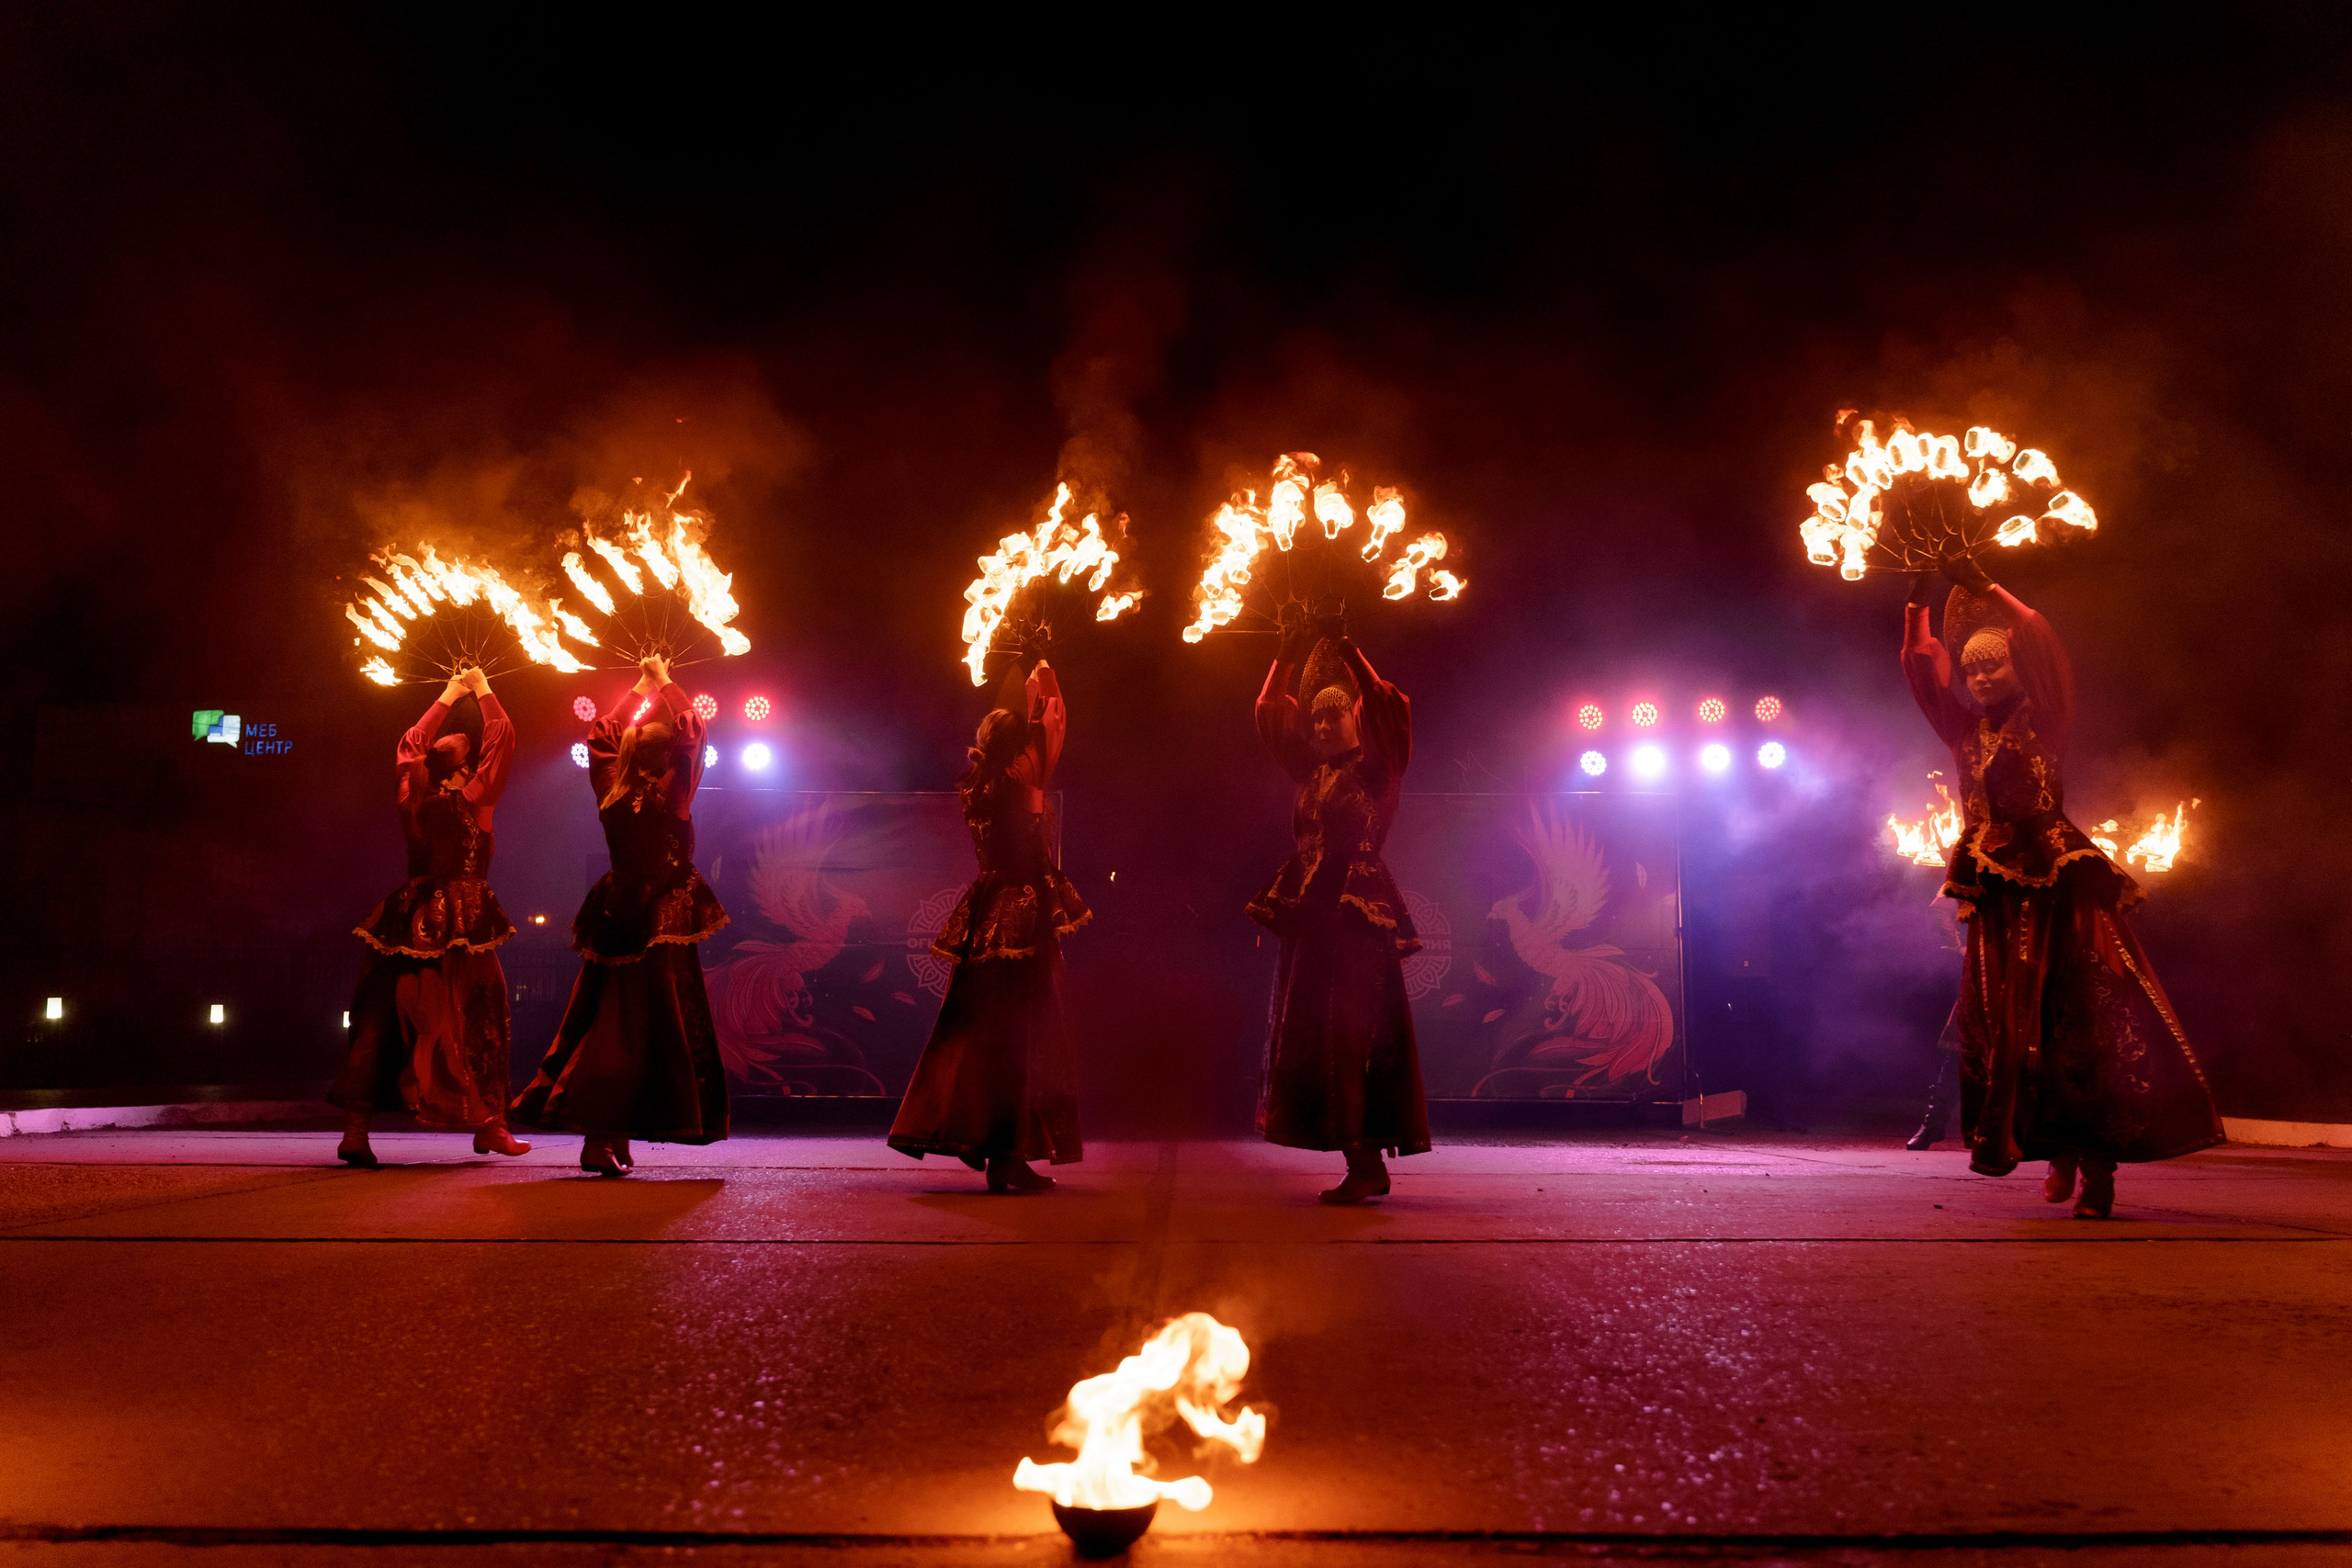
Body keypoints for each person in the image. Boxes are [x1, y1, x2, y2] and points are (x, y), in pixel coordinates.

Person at [1903, 555, 2221, 1215]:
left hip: (2058, 891)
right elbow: (1921, 673)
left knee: (2083, 1022)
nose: (1983, 675)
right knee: (2012, 1033)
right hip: (1996, 895)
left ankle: (2098, 1165)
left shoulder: (2045, 716)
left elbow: (2046, 644)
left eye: (1995, 664)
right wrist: (1917, 603)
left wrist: (1986, 584)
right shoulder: (1966, 732)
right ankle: (2059, 1152)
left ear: (2019, 667)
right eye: (1973, 668)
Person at [512, 655, 729, 1175]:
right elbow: (692, 731)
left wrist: (638, 688)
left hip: (616, 915)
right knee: (637, 1031)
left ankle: (619, 1135)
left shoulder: (611, 788)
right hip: (658, 924)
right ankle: (600, 1136)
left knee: (611, 1021)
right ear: (668, 761)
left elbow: (602, 734)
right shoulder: (671, 796)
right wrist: (667, 683)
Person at [1250, 612, 1430, 1204]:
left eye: (1335, 714)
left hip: (1354, 922)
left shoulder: (1380, 768)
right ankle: (1358, 1162)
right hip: (1314, 921)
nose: (1323, 725)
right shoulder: (1312, 772)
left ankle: (1368, 1164)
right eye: (1317, 716)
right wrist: (1287, 654)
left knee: (1352, 1037)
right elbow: (1268, 712)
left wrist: (1350, 648)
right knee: (1319, 1039)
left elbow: (1387, 702)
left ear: (1355, 717)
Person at [888, 655, 1088, 1190]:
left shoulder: (976, 783)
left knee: (981, 1036)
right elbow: (1057, 719)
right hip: (1022, 917)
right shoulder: (1025, 780)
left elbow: (1033, 728)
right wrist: (1045, 668)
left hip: (988, 916)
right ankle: (1006, 1156)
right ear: (1017, 751)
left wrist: (1025, 695)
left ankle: (998, 1151)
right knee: (1020, 1038)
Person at [333, 666, 530, 1167]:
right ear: (464, 769)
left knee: (380, 1019)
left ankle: (357, 1130)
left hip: (406, 914)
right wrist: (482, 690)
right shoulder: (473, 800)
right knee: (482, 1016)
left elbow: (410, 742)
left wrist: (446, 694)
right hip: (460, 918)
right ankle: (493, 1124)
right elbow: (503, 739)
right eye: (466, 748)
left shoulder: (413, 796)